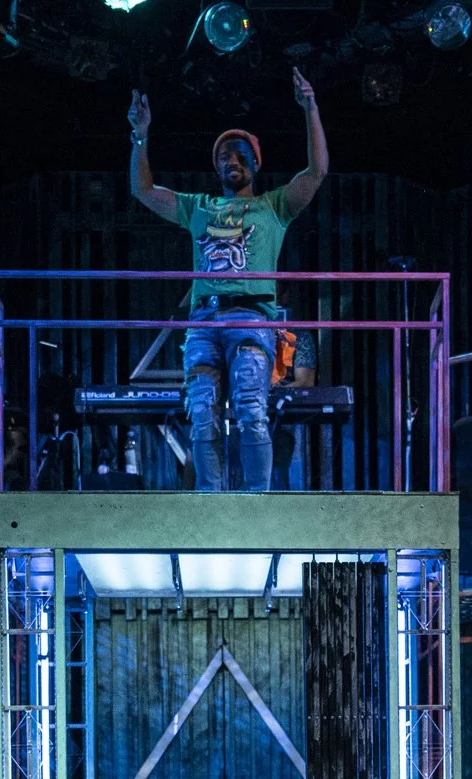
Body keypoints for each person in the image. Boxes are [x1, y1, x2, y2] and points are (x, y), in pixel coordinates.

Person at [127, 69, 327, 492]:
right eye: (223, 156)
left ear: (255, 162)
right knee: (202, 412)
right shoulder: (198, 207)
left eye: (239, 154)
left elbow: (316, 173)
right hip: (203, 322)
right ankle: (210, 504)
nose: (230, 161)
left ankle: (256, 503)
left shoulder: (273, 206)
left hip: (251, 319)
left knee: (251, 410)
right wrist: (140, 137)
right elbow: (143, 190)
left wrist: (310, 107)